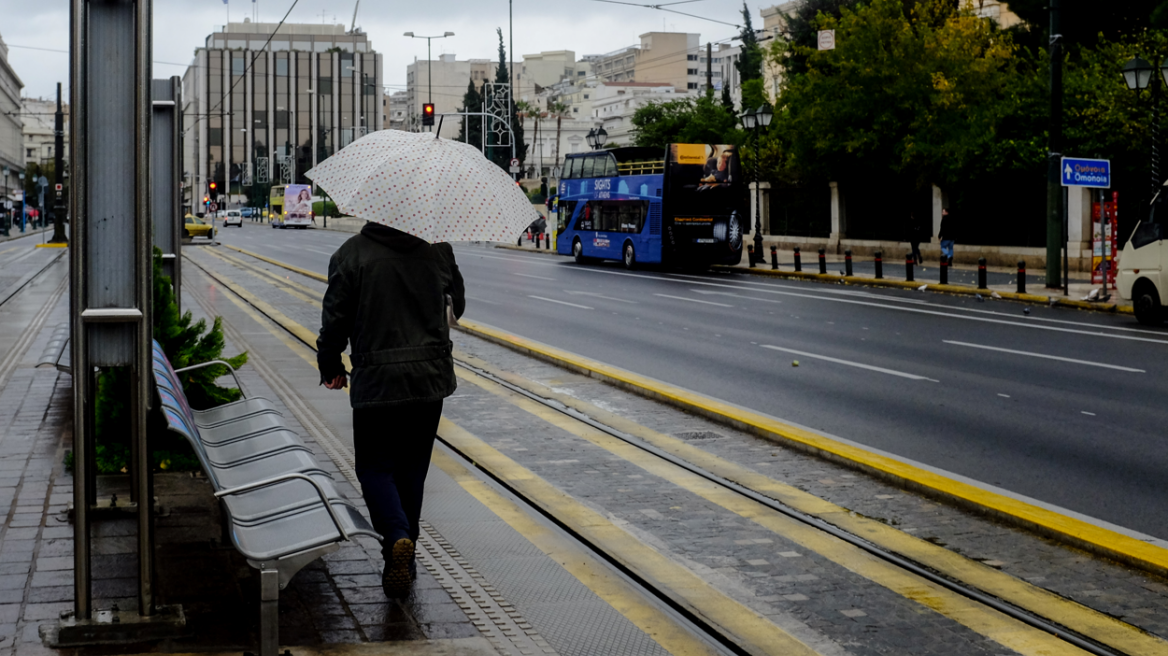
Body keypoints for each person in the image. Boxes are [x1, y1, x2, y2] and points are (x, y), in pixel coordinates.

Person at [318, 222, 465, 598]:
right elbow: (458, 306)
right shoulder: (439, 249)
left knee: (375, 467)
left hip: (378, 381)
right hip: (429, 380)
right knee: (412, 472)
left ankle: (397, 538)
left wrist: (330, 365)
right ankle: (404, 558)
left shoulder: (351, 254)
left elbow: (335, 319)